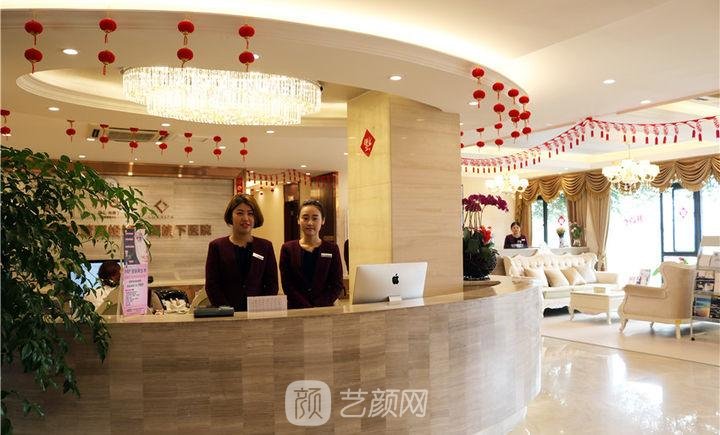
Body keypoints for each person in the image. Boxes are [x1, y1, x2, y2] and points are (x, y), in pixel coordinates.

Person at [205, 194, 278, 311]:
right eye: (240, 213)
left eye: (250, 213)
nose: (245, 218)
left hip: (258, 313)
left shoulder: (265, 246)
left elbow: (272, 284)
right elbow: (212, 285)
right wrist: (227, 310)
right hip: (227, 314)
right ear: (231, 216)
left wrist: (261, 309)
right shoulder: (217, 246)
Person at [279, 199, 344, 309]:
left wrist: (318, 306)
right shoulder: (288, 249)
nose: (310, 223)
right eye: (305, 218)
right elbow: (288, 285)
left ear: (323, 220)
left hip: (324, 309)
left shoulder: (332, 249)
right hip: (296, 309)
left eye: (315, 218)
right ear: (298, 220)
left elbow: (337, 285)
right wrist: (306, 307)